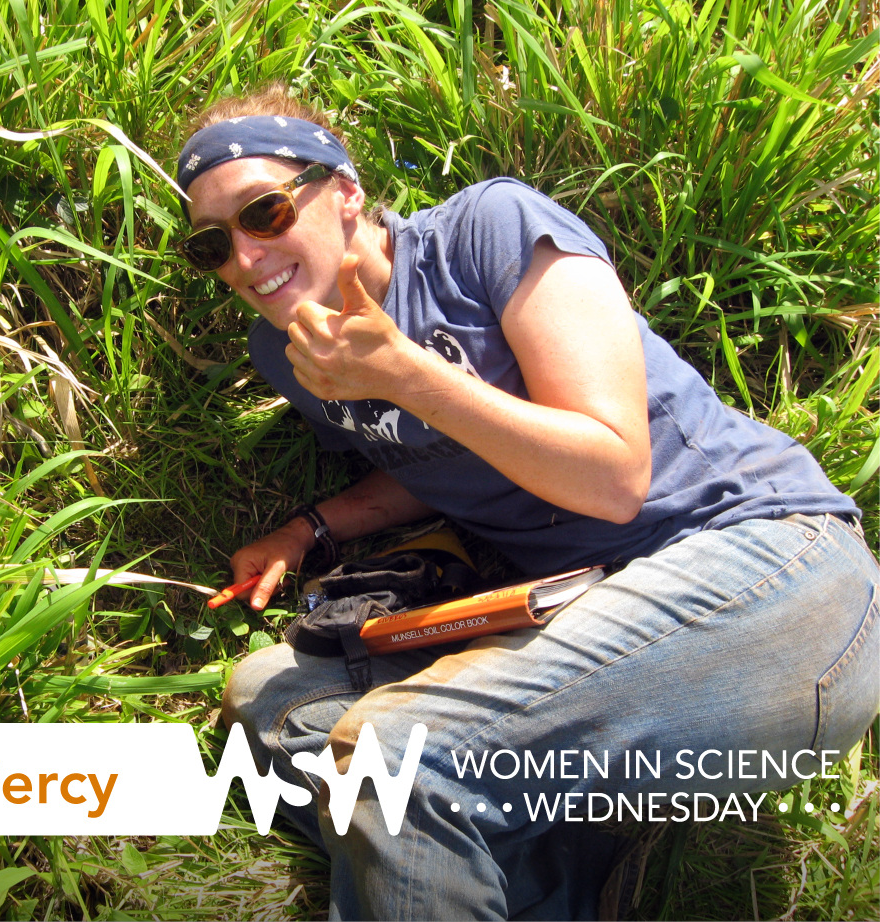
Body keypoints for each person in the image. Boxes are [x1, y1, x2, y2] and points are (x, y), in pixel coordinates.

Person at [173, 86, 879, 921]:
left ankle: (469, 830)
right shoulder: (288, 351)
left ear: (345, 191)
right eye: (212, 246)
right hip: (580, 622)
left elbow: (612, 476)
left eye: (263, 213)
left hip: (770, 575)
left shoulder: (487, 231)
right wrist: (307, 528)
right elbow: (425, 454)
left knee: (393, 758)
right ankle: (557, 869)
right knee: (270, 698)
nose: (245, 260)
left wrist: (402, 371)